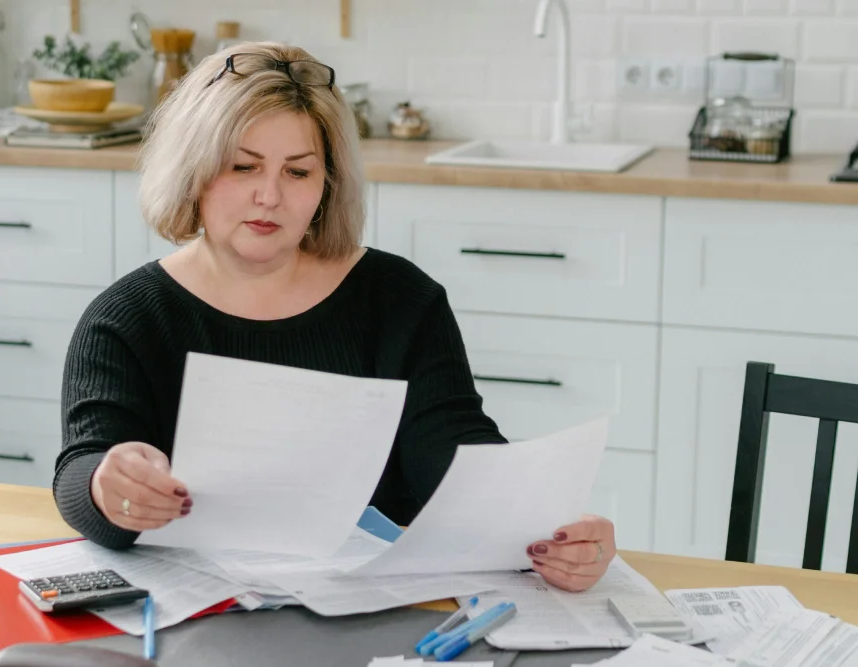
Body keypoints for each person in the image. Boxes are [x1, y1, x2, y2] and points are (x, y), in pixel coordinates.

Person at [53, 42, 617, 593]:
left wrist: (553, 532)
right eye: (243, 167)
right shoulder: (124, 319)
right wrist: (109, 486)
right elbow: (83, 472)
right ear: (193, 172)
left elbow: (455, 457)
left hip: (369, 605)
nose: (269, 196)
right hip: (198, 612)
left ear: (328, 186)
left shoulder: (400, 299)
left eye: (298, 172)